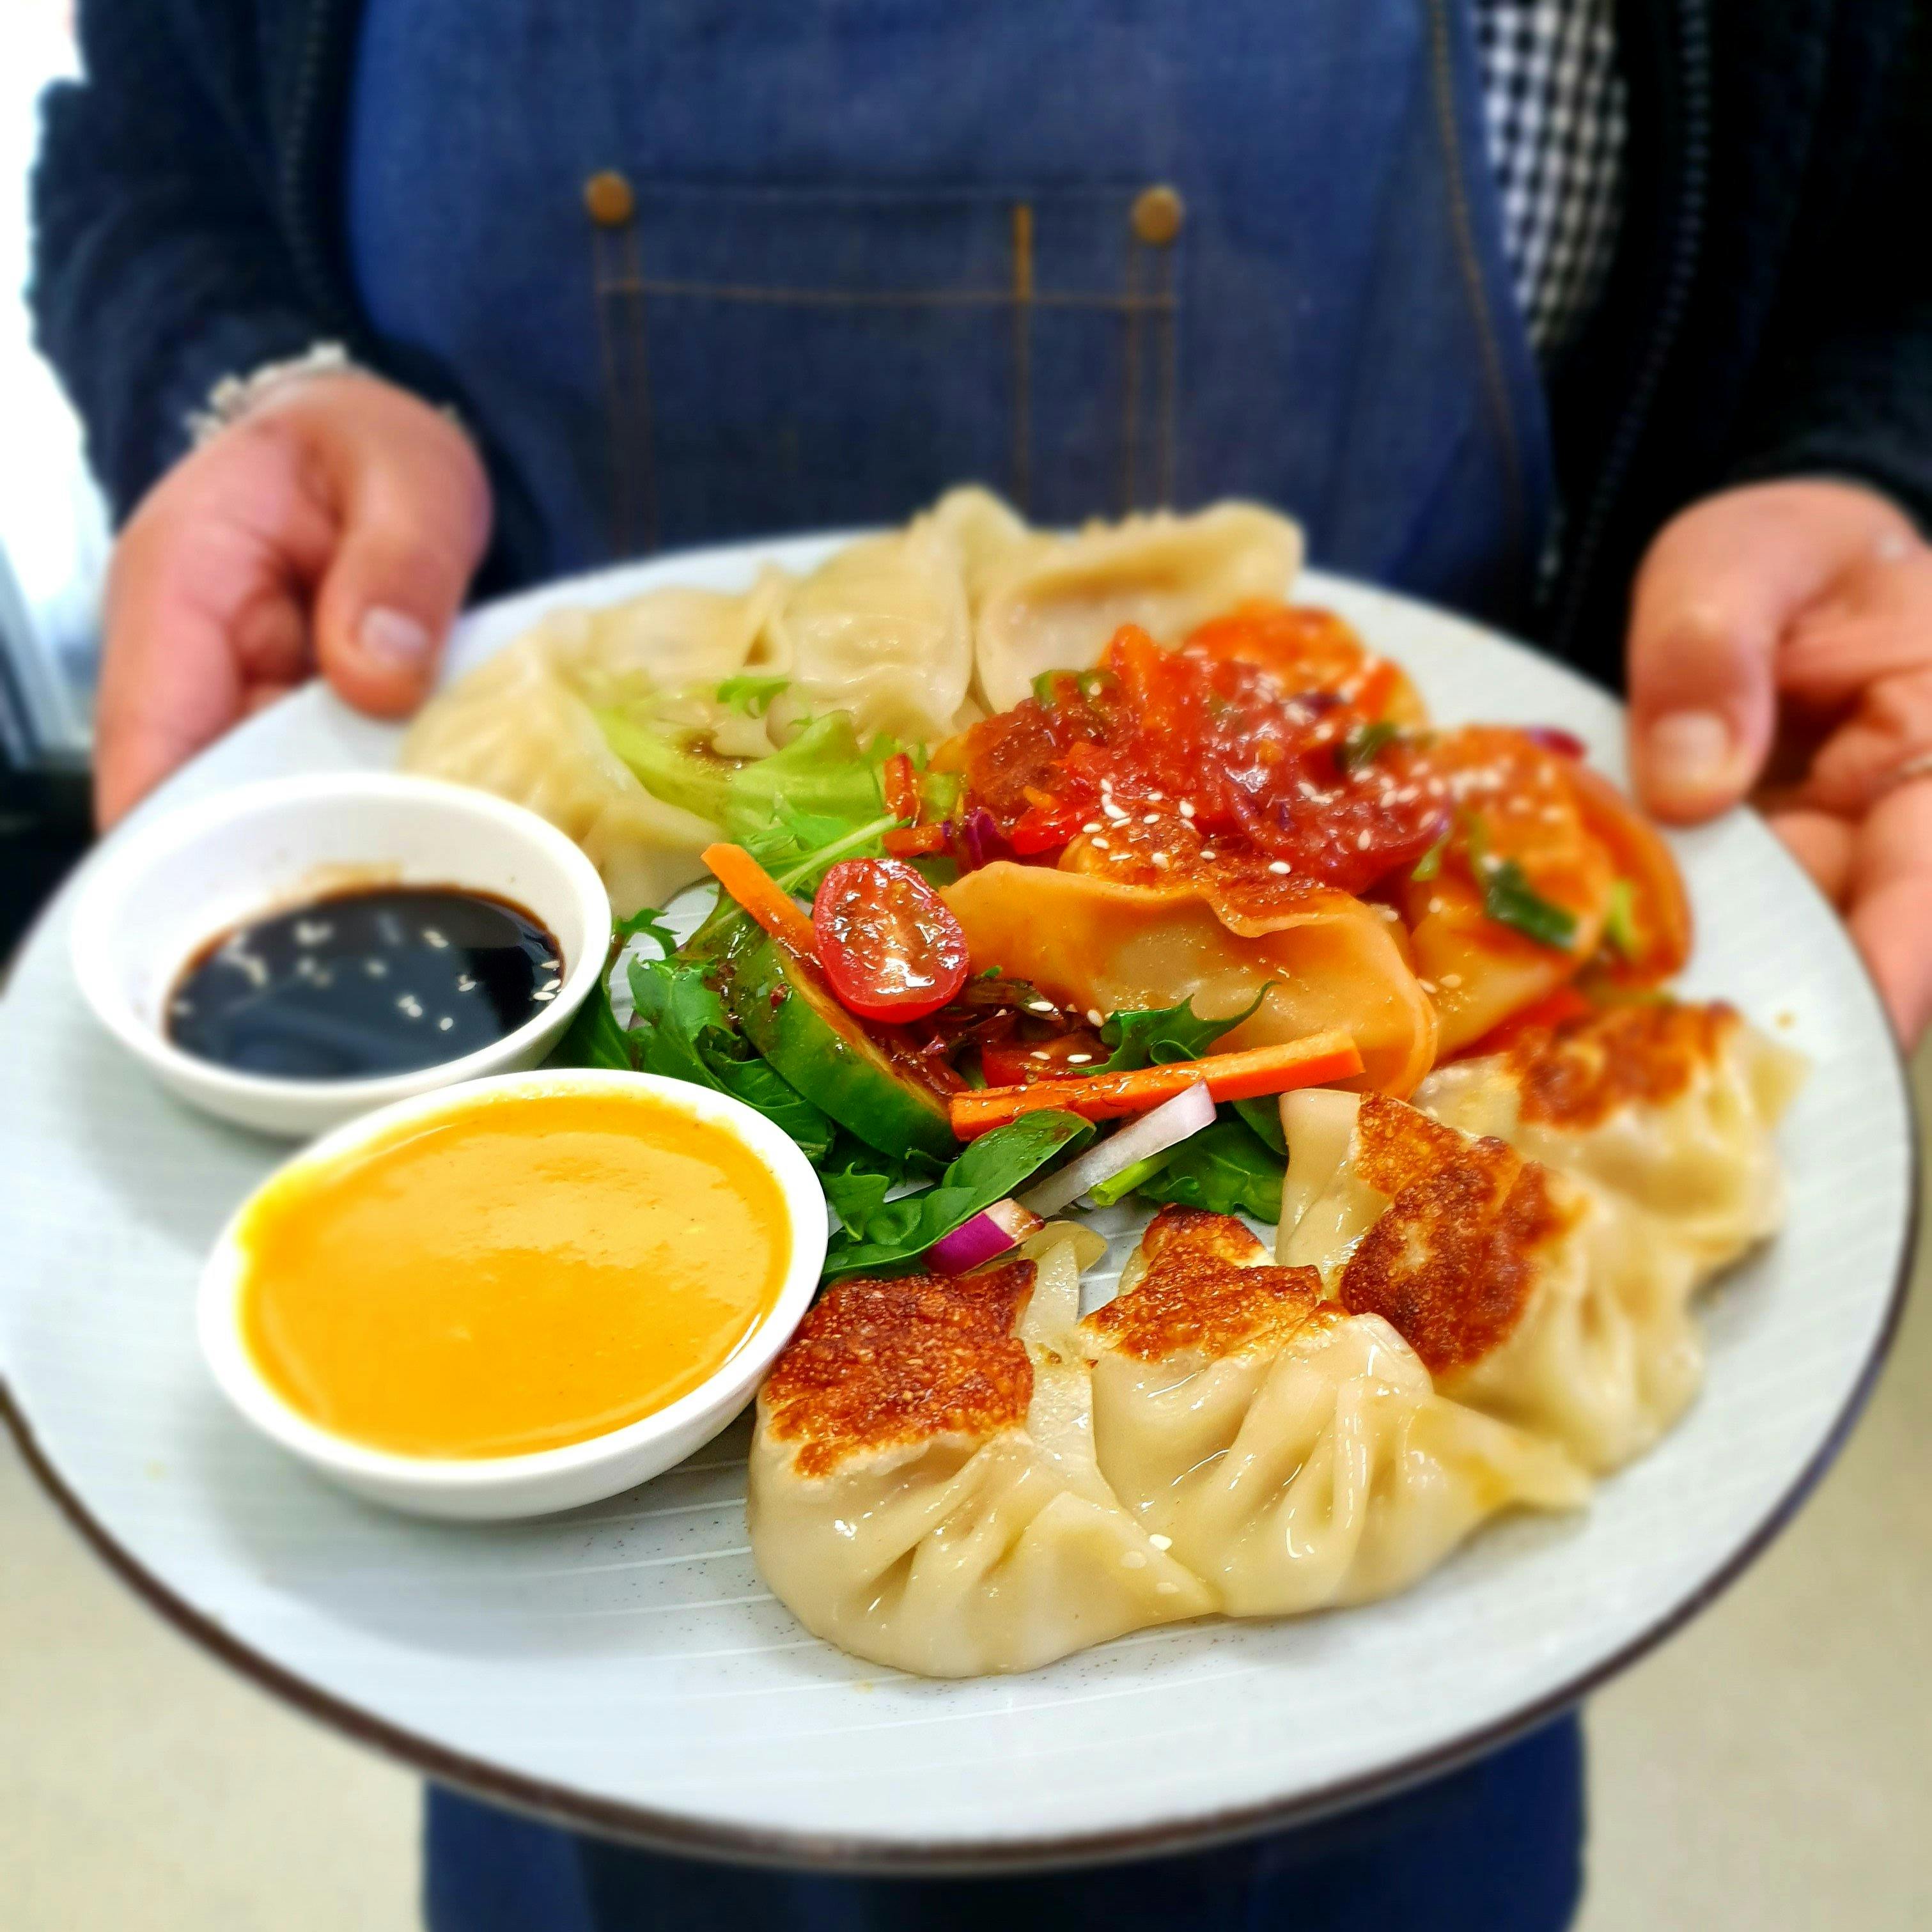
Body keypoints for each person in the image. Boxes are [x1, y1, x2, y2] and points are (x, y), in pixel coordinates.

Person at [28, 2, 1932, 1926]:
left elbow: (1891, 233)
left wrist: (1870, 479)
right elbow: (146, 159)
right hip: (558, 1672)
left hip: (1419, 1723)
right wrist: (245, 381)